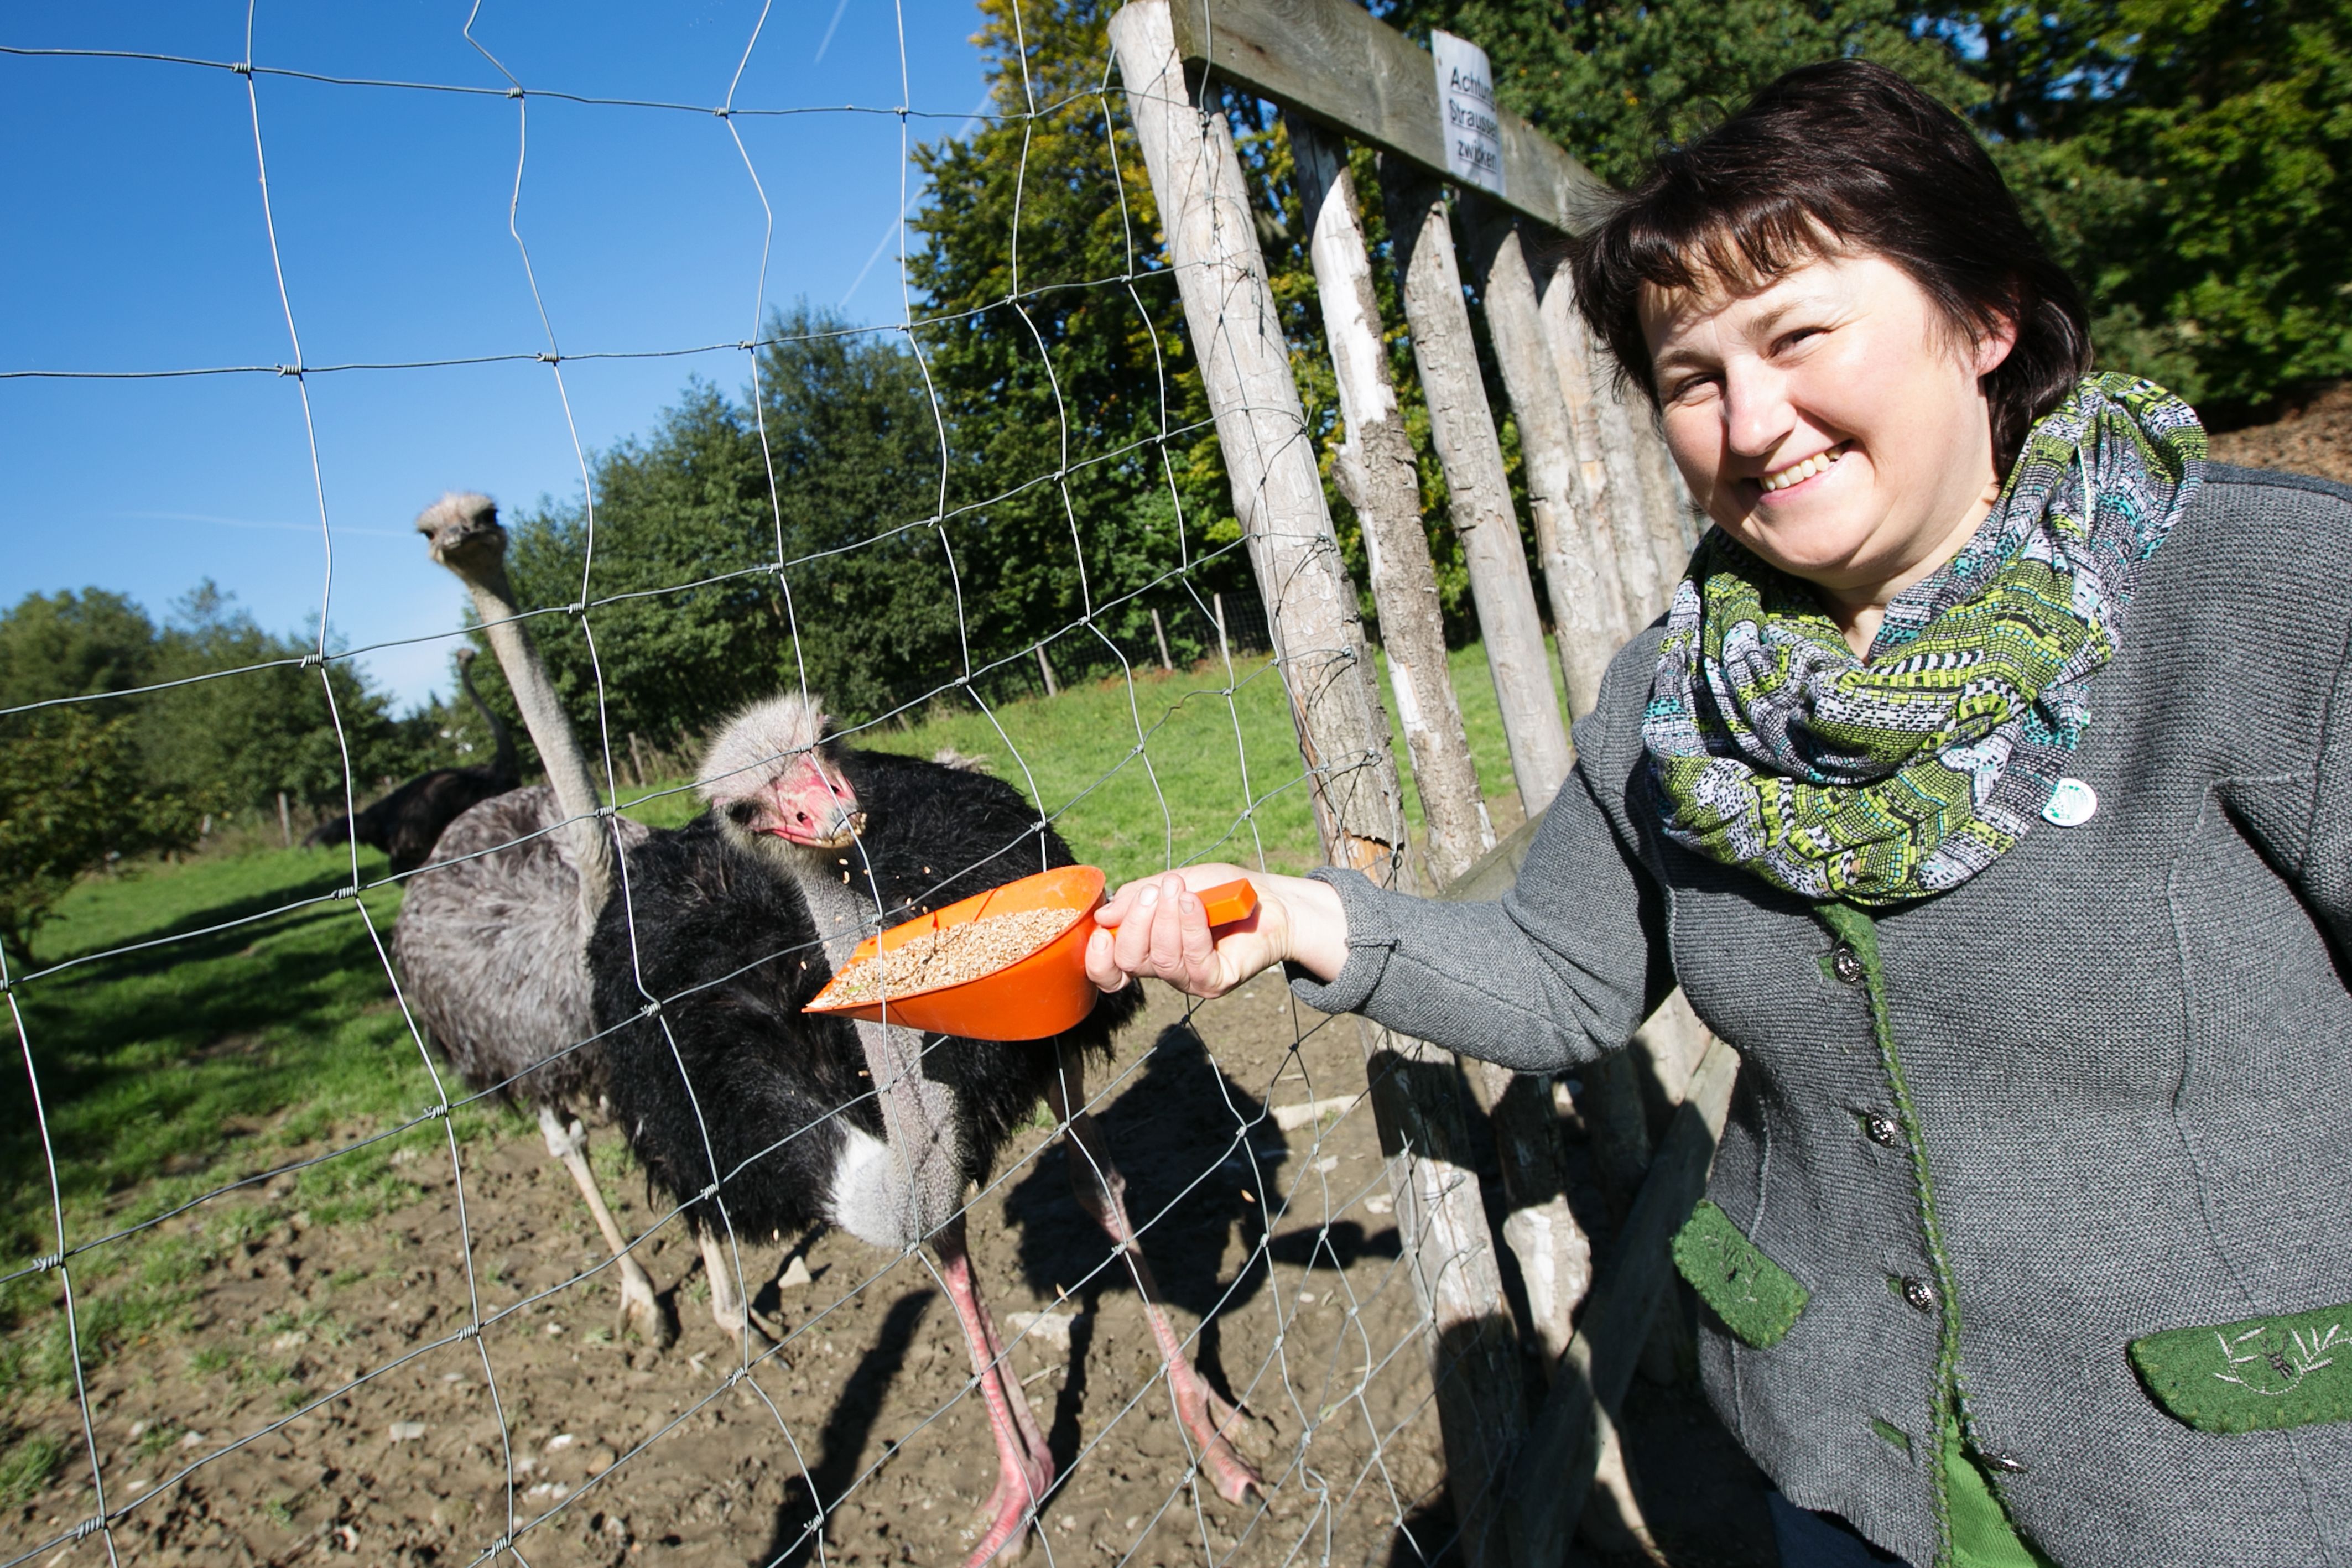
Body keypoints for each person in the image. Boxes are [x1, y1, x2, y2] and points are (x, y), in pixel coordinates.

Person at [1084, 59, 2352, 1568]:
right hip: (1838, 1463)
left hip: (2234, 1483)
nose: (1753, 424)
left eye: (1799, 335)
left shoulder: (2266, 606)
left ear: (1985, 318)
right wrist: (1296, 916)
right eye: (1692, 377)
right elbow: (1566, 977)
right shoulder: (1673, 695)